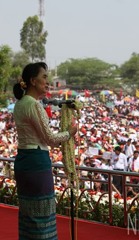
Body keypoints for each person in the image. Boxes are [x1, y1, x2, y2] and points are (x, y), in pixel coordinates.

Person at [13, 62, 77, 240]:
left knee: (29, 213)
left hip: (24, 161)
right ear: (33, 81)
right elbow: (50, 139)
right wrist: (69, 133)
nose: (47, 82)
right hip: (37, 163)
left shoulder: (20, 104)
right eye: (44, 77)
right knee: (42, 215)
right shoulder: (33, 105)